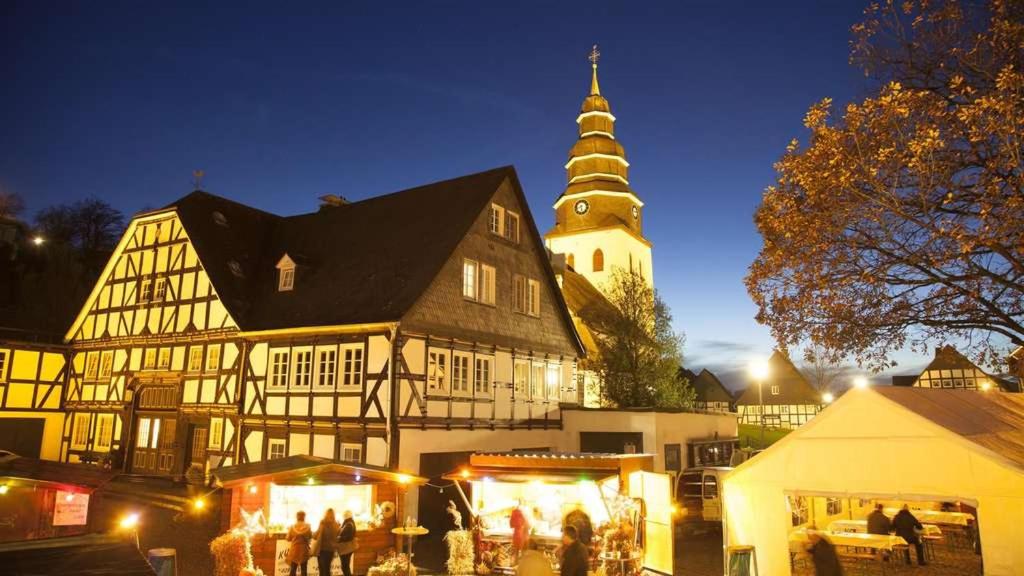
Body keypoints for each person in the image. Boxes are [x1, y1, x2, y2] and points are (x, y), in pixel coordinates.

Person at [314, 508, 340, 575]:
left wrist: (312, 534)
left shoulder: (323, 523)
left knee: (322, 570)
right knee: (327, 569)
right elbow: (337, 535)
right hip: (331, 550)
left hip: (322, 549)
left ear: (325, 514)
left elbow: (316, 534)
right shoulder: (336, 524)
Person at [286, 511, 312, 576]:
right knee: (304, 570)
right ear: (304, 517)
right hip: (304, 550)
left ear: (297, 517)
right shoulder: (308, 527)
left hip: (295, 550)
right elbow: (311, 536)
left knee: (293, 569)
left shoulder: (292, 527)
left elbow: (288, 538)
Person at [336, 510, 358, 576]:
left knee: (345, 566)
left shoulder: (349, 524)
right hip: (348, 549)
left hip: (346, 549)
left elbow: (348, 537)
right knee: (345, 566)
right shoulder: (349, 522)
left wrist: (339, 538)